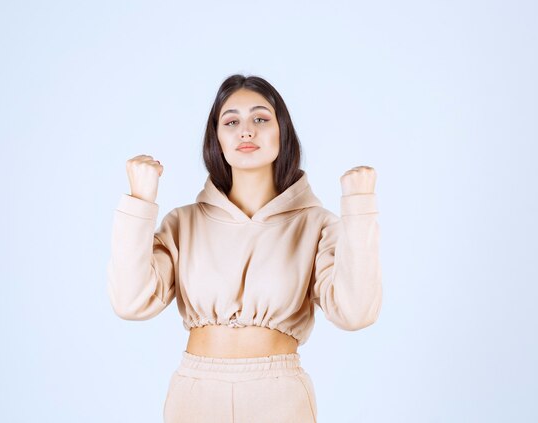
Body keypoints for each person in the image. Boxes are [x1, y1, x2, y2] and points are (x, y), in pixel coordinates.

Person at [106, 74, 382, 423]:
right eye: (231, 121)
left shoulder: (315, 224)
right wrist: (139, 202)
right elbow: (130, 302)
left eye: (261, 119)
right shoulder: (184, 223)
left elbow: (355, 313)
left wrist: (359, 206)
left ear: (283, 132)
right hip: (195, 396)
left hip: (279, 398)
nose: (246, 131)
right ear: (216, 138)